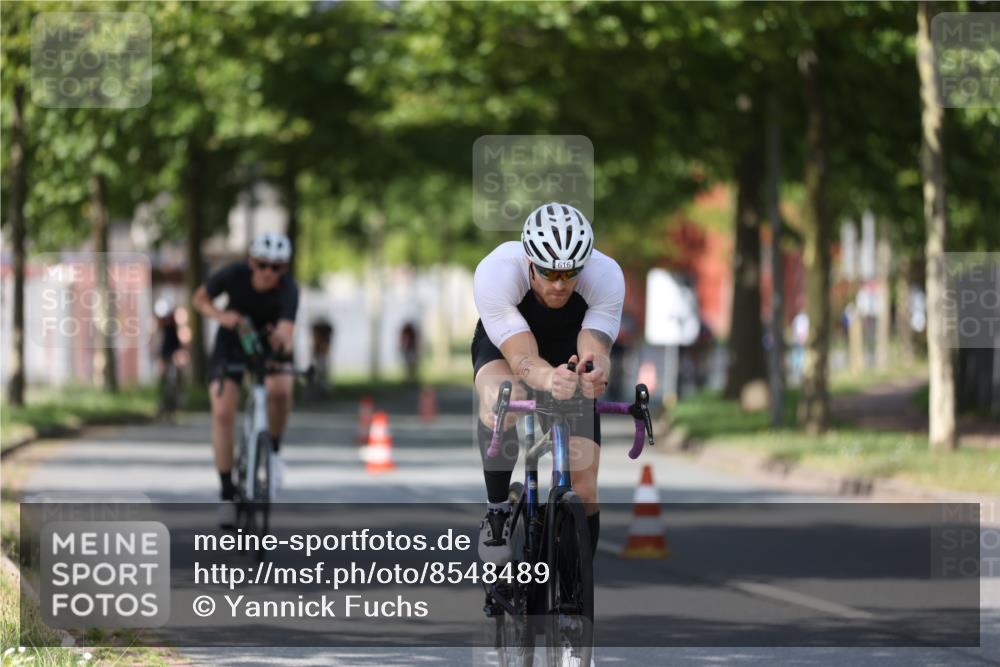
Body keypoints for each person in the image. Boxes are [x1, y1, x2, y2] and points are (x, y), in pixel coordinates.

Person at [471, 202, 624, 565]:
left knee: (584, 491)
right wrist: (547, 377)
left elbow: (595, 346)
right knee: (503, 397)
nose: (559, 284)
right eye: (548, 273)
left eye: (570, 274)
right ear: (529, 263)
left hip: (568, 350)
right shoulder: (497, 271)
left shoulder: (606, 275)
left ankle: (573, 589)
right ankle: (497, 512)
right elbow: (522, 358)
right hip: (507, 346)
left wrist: (594, 371)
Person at [191, 232, 298, 525]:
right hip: (231, 345)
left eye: (276, 267)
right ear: (251, 262)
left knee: (282, 391)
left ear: (284, 269)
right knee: (223, 413)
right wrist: (220, 315)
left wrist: (280, 341)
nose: (268, 273)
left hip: (268, 344)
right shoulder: (233, 275)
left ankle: (273, 449)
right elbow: (199, 299)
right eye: (262, 265)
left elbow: (288, 333)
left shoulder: (289, 289)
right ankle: (227, 493)